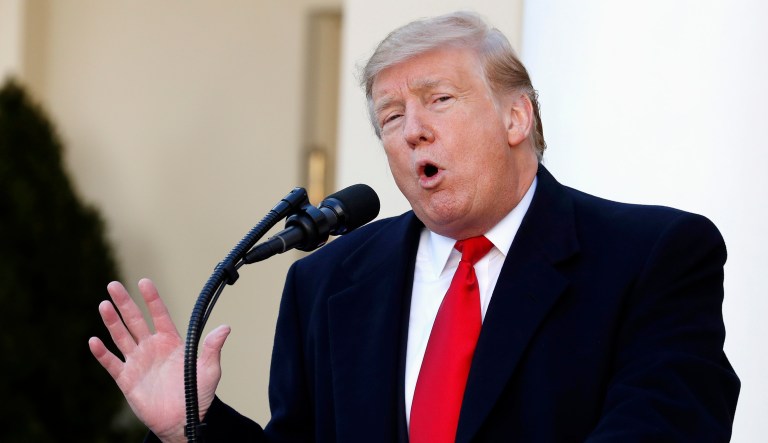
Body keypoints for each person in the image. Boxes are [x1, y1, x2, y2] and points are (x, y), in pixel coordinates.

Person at [89, 11, 740, 442]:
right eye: (391, 116)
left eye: (439, 100)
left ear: (517, 118)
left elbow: (666, 429)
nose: (412, 131)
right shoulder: (326, 282)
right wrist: (193, 424)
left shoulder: (652, 257)